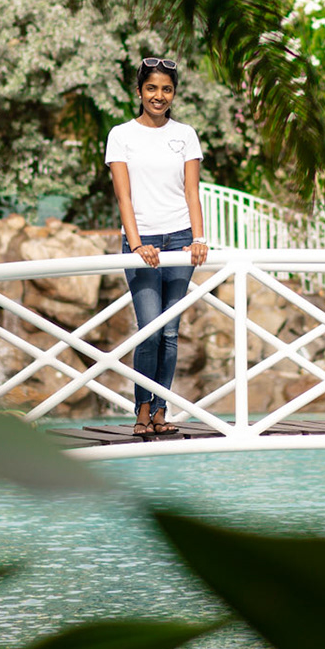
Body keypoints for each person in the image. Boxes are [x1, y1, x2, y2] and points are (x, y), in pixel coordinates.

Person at [106, 57, 210, 437]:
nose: (159, 96)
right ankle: (142, 409)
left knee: (169, 333)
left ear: (174, 94)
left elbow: (192, 191)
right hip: (142, 243)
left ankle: (161, 411)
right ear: (139, 91)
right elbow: (124, 197)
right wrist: (136, 246)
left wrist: (198, 239)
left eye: (166, 89)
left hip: (181, 240)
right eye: (152, 88)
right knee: (149, 330)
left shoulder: (186, 134)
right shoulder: (121, 135)